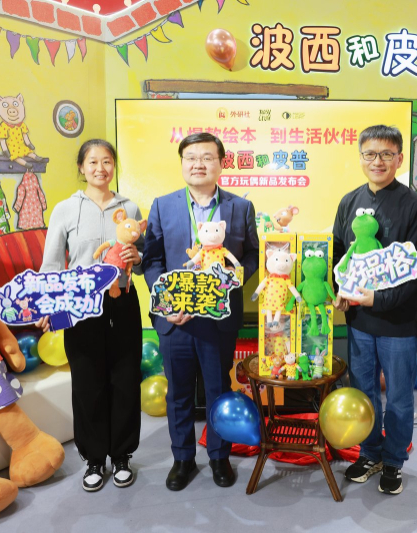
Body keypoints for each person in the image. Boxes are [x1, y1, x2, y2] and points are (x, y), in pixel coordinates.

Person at [144, 132, 259, 492]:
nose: (198, 164)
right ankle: (182, 459)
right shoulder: (162, 205)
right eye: (191, 157)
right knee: (178, 393)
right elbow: (152, 260)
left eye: (207, 157)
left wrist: (233, 278)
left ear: (221, 164)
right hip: (176, 320)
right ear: (182, 164)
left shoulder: (240, 207)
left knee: (218, 390)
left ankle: (219, 457)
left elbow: (252, 254)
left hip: (217, 319)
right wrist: (168, 302)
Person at [38, 139, 145, 492]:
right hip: (80, 304)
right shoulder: (65, 209)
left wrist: (137, 258)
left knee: (125, 378)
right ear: (81, 168)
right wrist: (48, 303)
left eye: (107, 161)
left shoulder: (130, 207)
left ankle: (123, 456)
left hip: (123, 300)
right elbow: (52, 263)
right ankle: (94, 459)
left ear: (114, 166)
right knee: (87, 382)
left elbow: (141, 258)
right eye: (93, 162)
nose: (101, 168)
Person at [332, 125, 417, 495]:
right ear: (361, 158)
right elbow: (339, 255)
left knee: (400, 397)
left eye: (387, 154)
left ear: (399, 159)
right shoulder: (348, 202)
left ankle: (393, 461)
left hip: (398, 322)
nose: (378, 161)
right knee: (363, 391)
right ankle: (370, 453)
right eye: (370, 154)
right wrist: (341, 292)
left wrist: (379, 300)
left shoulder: (415, 206)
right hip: (359, 320)